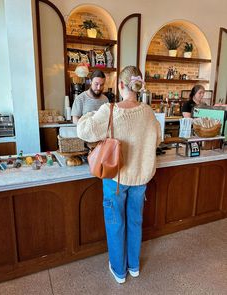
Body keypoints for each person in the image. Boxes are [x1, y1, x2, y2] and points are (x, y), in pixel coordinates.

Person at [77, 66, 161, 284]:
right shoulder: (149, 112)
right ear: (138, 85)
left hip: (116, 178)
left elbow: (84, 131)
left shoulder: (110, 109)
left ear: (120, 85)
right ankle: (133, 266)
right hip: (141, 179)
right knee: (135, 221)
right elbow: (157, 139)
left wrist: (89, 114)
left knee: (116, 223)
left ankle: (119, 270)